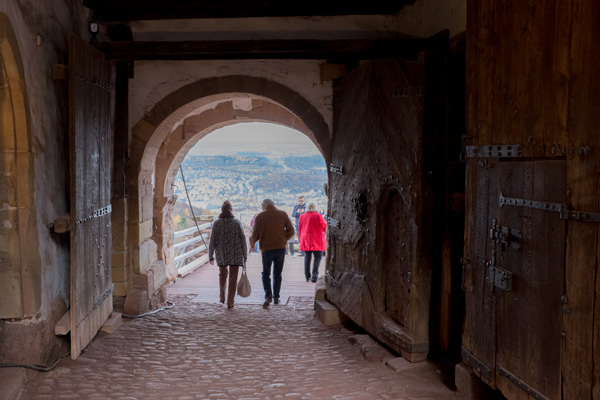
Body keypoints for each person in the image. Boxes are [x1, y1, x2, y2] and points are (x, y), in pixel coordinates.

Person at [249, 198, 295, 307]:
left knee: (266, 274)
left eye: (262, 206)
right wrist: (283, 239)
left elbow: (255, 234)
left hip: (267, 248)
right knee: (277, 274)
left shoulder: (260, 216)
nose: (261, 208)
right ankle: (276, 297)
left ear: (265, 205)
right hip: (280, 248)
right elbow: (292, 231)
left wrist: (252, 245)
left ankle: (268, 295)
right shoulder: (283, 214)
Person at [208, 201, 248, 309]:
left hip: (222, 253)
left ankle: (222, 296)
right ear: (231, 210)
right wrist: (245, 254)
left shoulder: (216, 223)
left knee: (222, 275)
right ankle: (230, 302)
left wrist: (210, 255)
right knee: (233, 279)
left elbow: (212, 240)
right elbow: (243, 239)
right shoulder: (237, 222)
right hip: (235, 254)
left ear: (222, 210)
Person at [298, 202, 327, 282]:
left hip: (306, 239)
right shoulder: (318, 216)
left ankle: (307, 276)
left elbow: (300, 229)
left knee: (307, 258)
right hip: (317, 240)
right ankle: (314, 276)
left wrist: (301, 239)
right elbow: (324, 227)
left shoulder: (302, 216)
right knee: (317, 258)